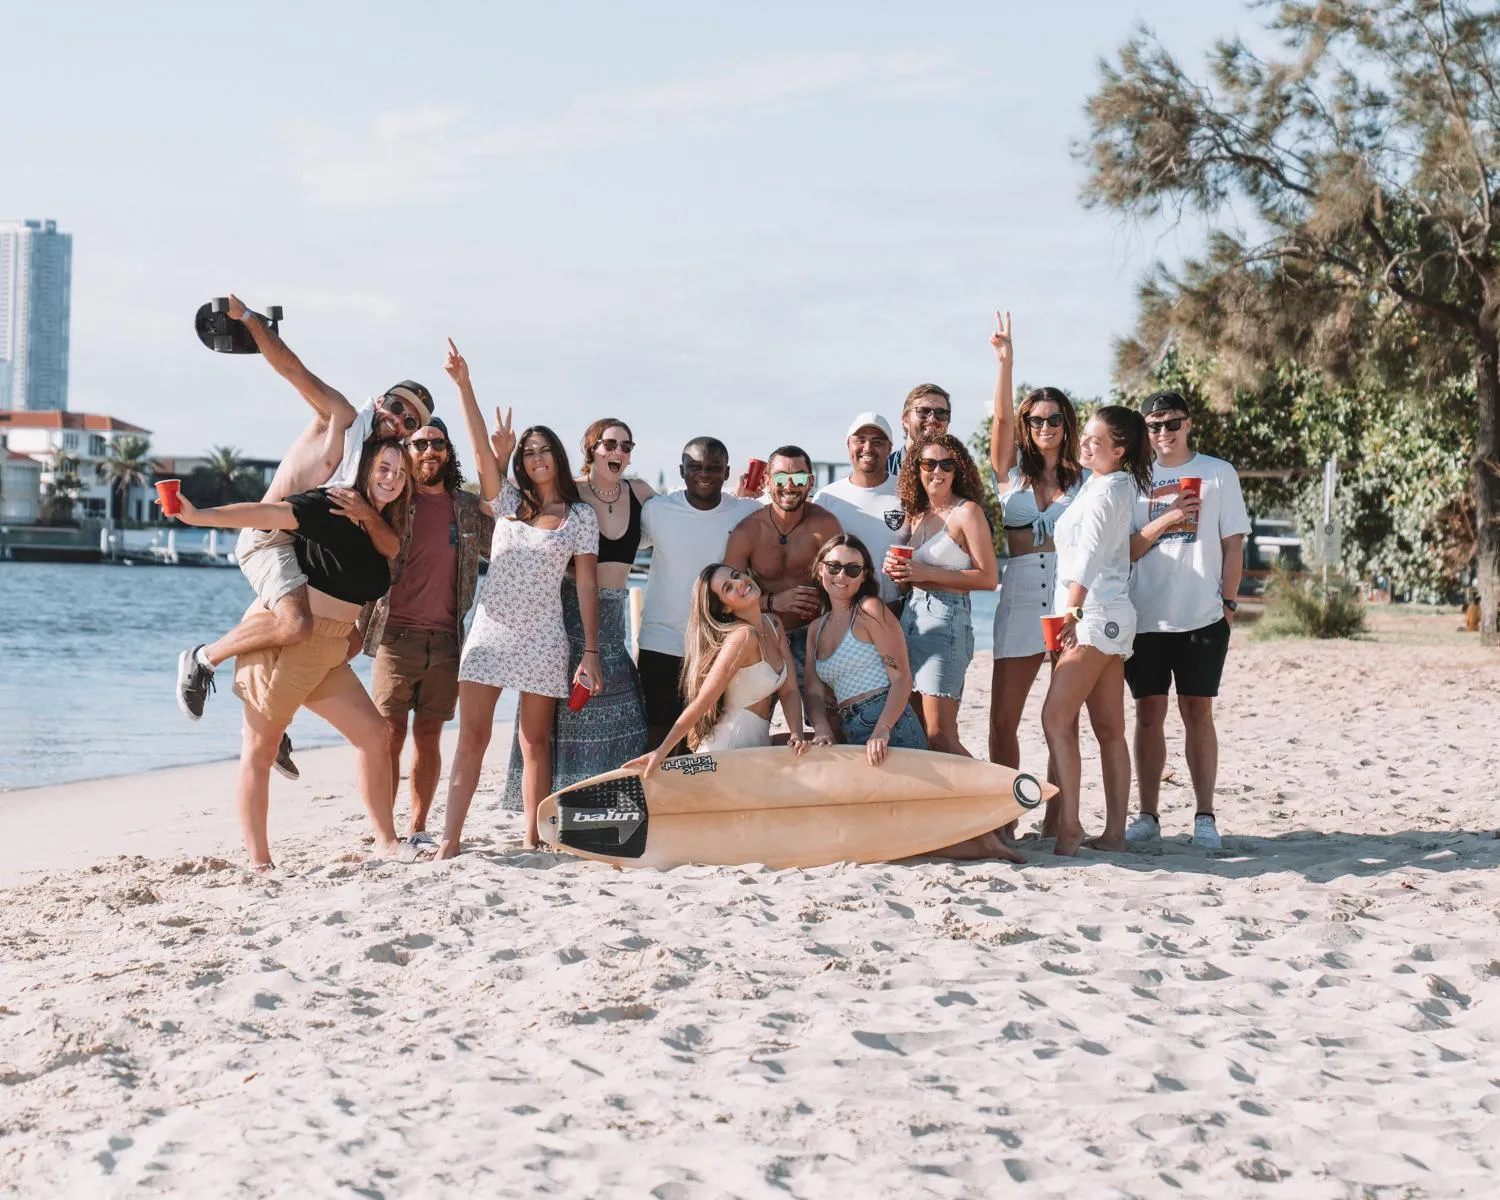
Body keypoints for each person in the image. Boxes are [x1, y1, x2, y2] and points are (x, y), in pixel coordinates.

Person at [174, 293, 432, 765]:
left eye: (408, 420)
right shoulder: (342, 418)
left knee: (342, 641)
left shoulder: (379, 465)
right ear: (381, 399)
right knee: (295, 624)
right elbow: (292, 370)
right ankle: (203, 659)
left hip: (303, 547)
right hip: (268, 533)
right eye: (395, 406)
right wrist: (249, 319)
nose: (397, 418)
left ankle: (278, 719)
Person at [163, 436, 412, 868]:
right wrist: (198, 515)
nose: (393, 478)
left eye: (401, 473)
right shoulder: (332, 503)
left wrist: (369, 515)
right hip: (285, 646)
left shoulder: (380, 526)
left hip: (328, 650)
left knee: (375, 736)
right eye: (385, 468)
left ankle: (386, 841)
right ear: (367, 466)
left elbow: (390, 551)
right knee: (259, 755)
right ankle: (260, 863)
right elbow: (268, 513)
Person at [437, 409, 602, 856]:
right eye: (528, 453)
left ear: (558, 456)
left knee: (534, 742)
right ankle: (449, 839)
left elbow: (586, 583)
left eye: (543, 449)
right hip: (491, 631)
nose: (536, 458)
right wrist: (464, 385)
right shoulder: (508, 502)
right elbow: (477, 451)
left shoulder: (580, 516)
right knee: (472, 737)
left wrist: (590, 649)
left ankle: (533, 837)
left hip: (543, 634)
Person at [361, 346, 495, 840]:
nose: (429, 451)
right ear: (406, 452)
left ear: (447, 453)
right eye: (419, 444)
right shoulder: (394, 498)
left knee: (430, 736)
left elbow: (505, 527)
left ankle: (418, 827)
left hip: (447, 641)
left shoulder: (465, 507)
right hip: (394, 635)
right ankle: (385, 829)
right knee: (387, 735)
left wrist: (497, 453)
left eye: (437, 444)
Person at [501, 416, 653, 808]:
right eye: (609, 444)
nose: (618, 452)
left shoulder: (640, 493)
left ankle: (609, 801)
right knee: (566, 714)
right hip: (568, 613)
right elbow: (519, 503)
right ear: (592, 450)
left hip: (615, 617)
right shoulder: (574, 495)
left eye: (625, 446)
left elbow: (683, 516)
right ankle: (558, 807)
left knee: (624, 710)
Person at [1123, 390, 1251, 851]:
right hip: (1143, 616)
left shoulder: (1218, 473)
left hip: (1202, 615)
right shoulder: (1132, 478)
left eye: (1171, 424)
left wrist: (1229, 605)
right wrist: (1169, 518)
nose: (1162, 434)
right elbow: (1127, 549)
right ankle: (1148, 815)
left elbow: (1234, 544)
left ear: (1189, 423)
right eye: (1153, 426)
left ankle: (1205, 817)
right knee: (1147, 715)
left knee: (1198, 712)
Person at [1040, 406, 1153, 857]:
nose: (1084, 444)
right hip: (1108, 614)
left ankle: (1069, 826)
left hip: (1093, 615)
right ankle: (1114, 834)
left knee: (1054, 718)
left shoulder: (1108, 491)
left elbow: (1087, 557)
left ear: (1119, 450)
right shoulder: (1104, 485)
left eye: (1095, 440)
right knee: (1108, 729)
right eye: (1084, 436)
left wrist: (1071, 612)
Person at [984, 312, 1086, 802]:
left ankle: (1057, 814)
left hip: (1070, 594)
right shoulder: (1010, 474)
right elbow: (1001, 420)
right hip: (1022, 590)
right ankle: (1004, 813)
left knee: (1062, 717)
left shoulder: (1085, 479)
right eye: (1036, 419)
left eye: (1054, 419)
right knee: (1005, 717)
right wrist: (1007, 362)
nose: (1045, 426)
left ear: (1067, 426)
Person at [636, 438, 761, 752]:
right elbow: (616, 545)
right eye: (694, 467)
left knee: (706, 740)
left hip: (718, 645)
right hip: (661, 643)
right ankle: (657, 800)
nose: (703, 474)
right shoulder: (657, 510)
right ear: (682, 470)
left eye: (713, 467)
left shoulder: (748, 511)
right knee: (658, 733)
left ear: (726, 471)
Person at [626, 565, 808, 773]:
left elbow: (790, 690)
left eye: (736, 575)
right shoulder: (742, 638)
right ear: (725, 609)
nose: (740, 583)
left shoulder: (773, 625)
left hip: (756, 748)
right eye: (728, 588)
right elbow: (704, 700)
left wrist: (796, 734)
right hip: (727, 751)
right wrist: (661, 751)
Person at [884, 435, 998, 755]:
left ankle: (990, 796)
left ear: (957, 469)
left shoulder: (967, 512)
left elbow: (989, 577)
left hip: (947, 620)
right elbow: (915, 578)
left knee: (940, 735)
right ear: (915, 469)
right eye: (929, 463)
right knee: (917, 731)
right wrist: (900, 573)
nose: (938, 471)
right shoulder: (918, 514)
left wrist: (925, 573)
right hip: (912, 617)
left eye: (947, 464)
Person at [724, 444, 842, 691]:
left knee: (825, 719)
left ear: (810, 482)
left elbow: (844, 586)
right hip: (761, 633)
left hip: (811, 637)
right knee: (755, 723)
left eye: (798, 478)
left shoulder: (825, 526)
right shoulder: (748, 531)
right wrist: (772, 602)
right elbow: (725, 598)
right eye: (780, 477)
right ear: (767, 479)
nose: (789, 486)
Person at [812, 414, 908, 611]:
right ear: (848, 445)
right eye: (860, 440)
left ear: (890, 448)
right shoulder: (826, 498)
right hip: (840, 615)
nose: (867, 448)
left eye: (877, 442)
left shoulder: (908, 494)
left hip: (897, 612)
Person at [887, 383, 952, 476]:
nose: (932, 419)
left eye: (940, 413)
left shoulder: (960, 474)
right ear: (906, 420)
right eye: (924, 411)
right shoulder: (883, 470)